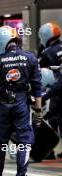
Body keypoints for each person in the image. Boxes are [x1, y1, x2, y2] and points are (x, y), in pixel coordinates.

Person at [0, 26, 42, 176]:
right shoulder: (30, 58)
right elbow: (37, 87)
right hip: (22, 104)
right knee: (24, 143)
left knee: (1, 143)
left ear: (0, 41)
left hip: (4, 104)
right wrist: (38, 111)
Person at [38, 22, 62, 158]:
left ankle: (49, 151)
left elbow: (39, 72)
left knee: (51, 117)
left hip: (57, 89)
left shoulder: (48, 53)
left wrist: (44, 97)